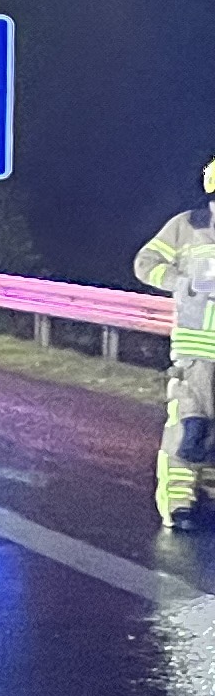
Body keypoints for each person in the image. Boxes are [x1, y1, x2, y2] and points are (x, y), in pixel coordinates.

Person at [132, 165, 215, 521]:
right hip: (196, 350)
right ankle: (178, 503)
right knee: (190, 424)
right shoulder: (186, 227)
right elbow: (145, 263)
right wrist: (181, 284)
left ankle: (208, 492)